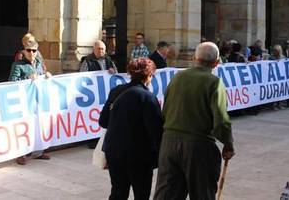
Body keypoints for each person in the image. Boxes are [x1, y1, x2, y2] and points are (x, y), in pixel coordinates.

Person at [153, 42, 234, 200]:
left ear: (193, 58)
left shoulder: (178, 77)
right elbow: (221, 121)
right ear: (216, 63)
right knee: (202, 193)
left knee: (166, 194)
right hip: (198, 146)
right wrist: (228, 144)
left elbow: (165, 109)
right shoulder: (214, 82)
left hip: (169, 143)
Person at [99, 58, 163, 200]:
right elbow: (156, 131)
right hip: (139, 155)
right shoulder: (148, 97)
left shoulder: (116, 91)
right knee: (141, 193)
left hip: (114, 151)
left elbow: (103, 121)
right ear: (149, 76)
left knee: (118, 192)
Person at [9, 40, 51, 165]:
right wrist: (27, 79)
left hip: (37, 100)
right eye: (28, 50)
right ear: (24, 51)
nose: (31, 53)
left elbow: (42, 75)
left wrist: (47, 75)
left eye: (34, 50)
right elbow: (12, 81)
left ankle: (38, 152)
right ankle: (20, 154)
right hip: (23, 101)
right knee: (22, 127)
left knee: (37, 125)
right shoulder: (18, 65)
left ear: (37, 52)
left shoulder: (39, 63)